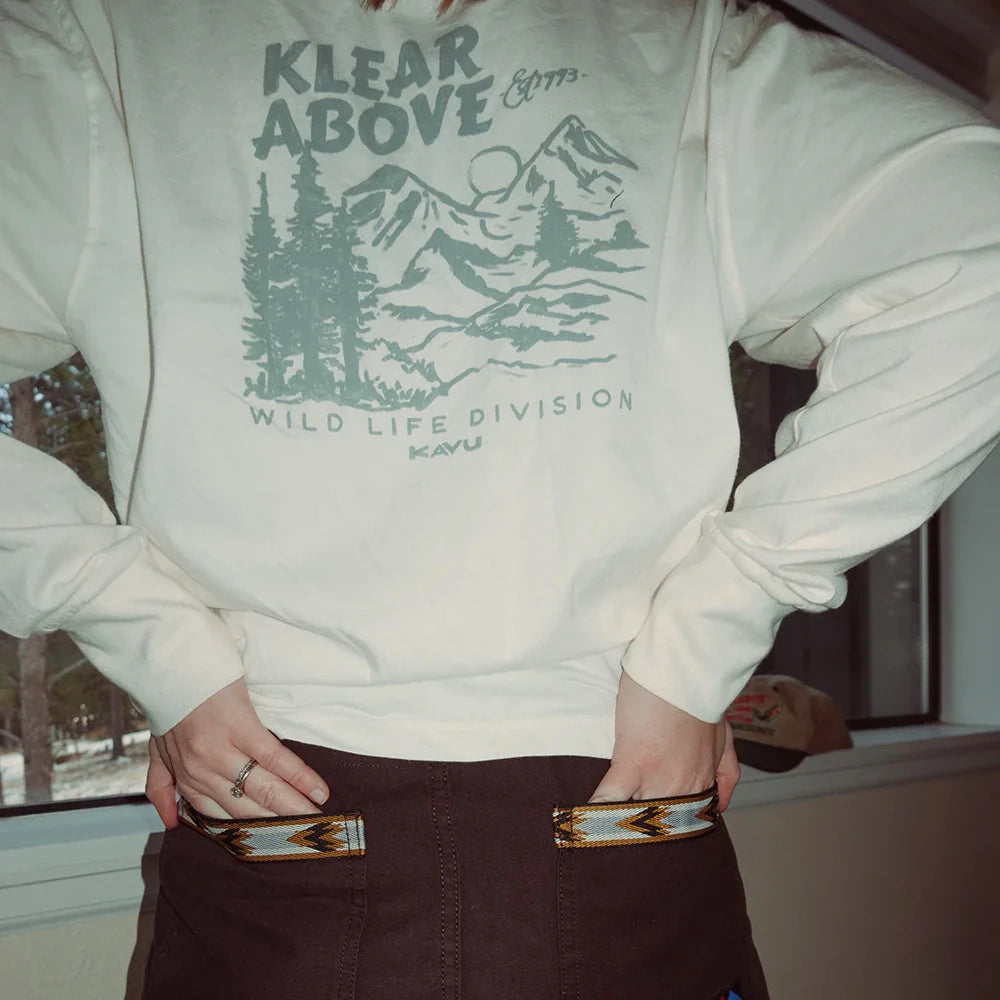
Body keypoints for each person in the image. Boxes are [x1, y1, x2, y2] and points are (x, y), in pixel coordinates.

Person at [2, 0, 998, 997]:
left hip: (289, 816)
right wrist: (708, 631)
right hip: (608, 803)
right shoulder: (670, 44)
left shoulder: (104, 48)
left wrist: (153, 639)